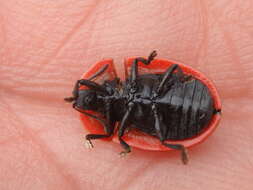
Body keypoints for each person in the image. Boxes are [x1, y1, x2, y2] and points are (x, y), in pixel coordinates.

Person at [1, 1, 252, 189]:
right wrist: (109, 139)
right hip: (174, 114)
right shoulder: (116, 121)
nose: (89, 98)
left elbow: (115, 130)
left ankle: (177, 144)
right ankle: (178, 147)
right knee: (159, 137)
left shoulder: (126, 76)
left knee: (172, 74)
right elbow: (113, 134)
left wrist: (148, 62)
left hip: (188, 95)